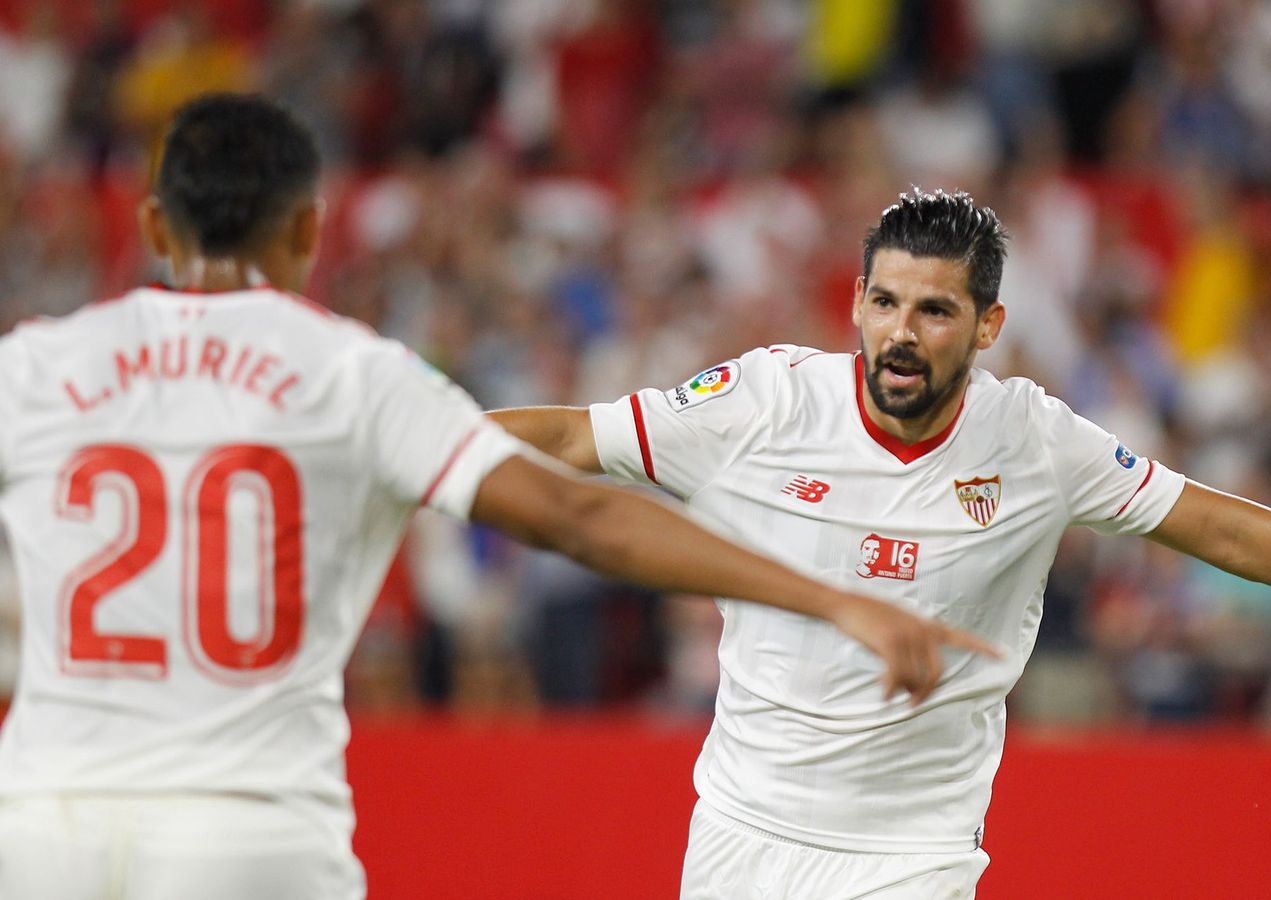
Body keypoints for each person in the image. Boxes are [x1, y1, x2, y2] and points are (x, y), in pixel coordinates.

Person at [0, 95, 996, 900]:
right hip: (247, 832)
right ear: (308, 230)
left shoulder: (34, 368)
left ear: (148, 226)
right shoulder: (352, 374)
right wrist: (829, 598)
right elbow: (578, 512)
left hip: (39, 824)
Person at [489, 188, 1271, 899]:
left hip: (909, 857)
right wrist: (401, 445)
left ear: (988, 325)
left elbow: (1213, 523)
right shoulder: (760, 403)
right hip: (739, 835)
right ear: (856, 303)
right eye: (882, 302)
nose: (900, 334)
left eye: (935, 312)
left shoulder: (1035, 441)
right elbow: (569, 438)